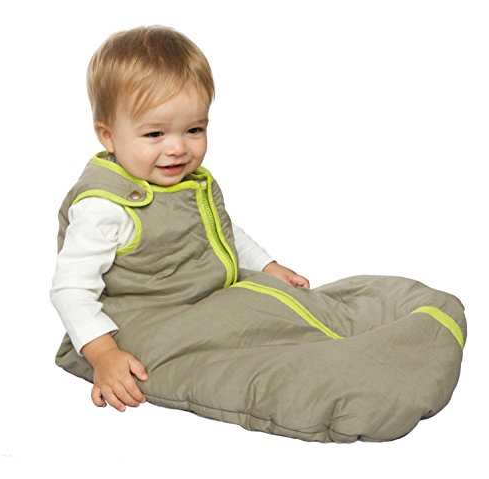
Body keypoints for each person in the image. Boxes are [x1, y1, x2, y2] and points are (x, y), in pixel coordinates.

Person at [51, 25, 309, 413]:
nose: (177, 148)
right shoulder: (105, 207)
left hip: (202, 303)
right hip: (143, 322)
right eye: (154, 134)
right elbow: (71, 290)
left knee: (293, 314)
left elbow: (219, 232)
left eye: (193, 129)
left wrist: (266, 266)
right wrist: (103, 354)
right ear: (108, 135)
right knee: (249, 368)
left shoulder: (188, 183)